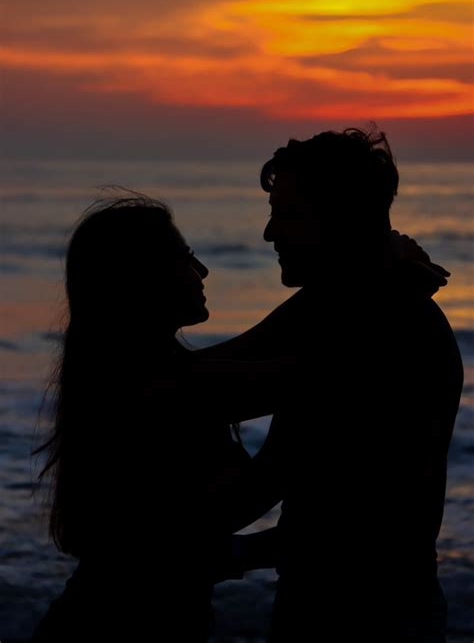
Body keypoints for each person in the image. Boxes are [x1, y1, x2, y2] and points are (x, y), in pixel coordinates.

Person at [199, 127, 463, 642]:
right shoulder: (350, 311)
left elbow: (289, 494)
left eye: (288, 215)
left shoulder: (379, 327)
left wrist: (183, 550)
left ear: (339, 221)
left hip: (362, 616)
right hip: (365, 605)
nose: (270, 233)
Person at [31, 197, 288, 642]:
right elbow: (239, 502)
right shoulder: (155, 385)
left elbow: (269, 339)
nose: (203, 271)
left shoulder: (136, 372)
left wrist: (363, 275)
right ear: (144, 279)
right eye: (186, 258)